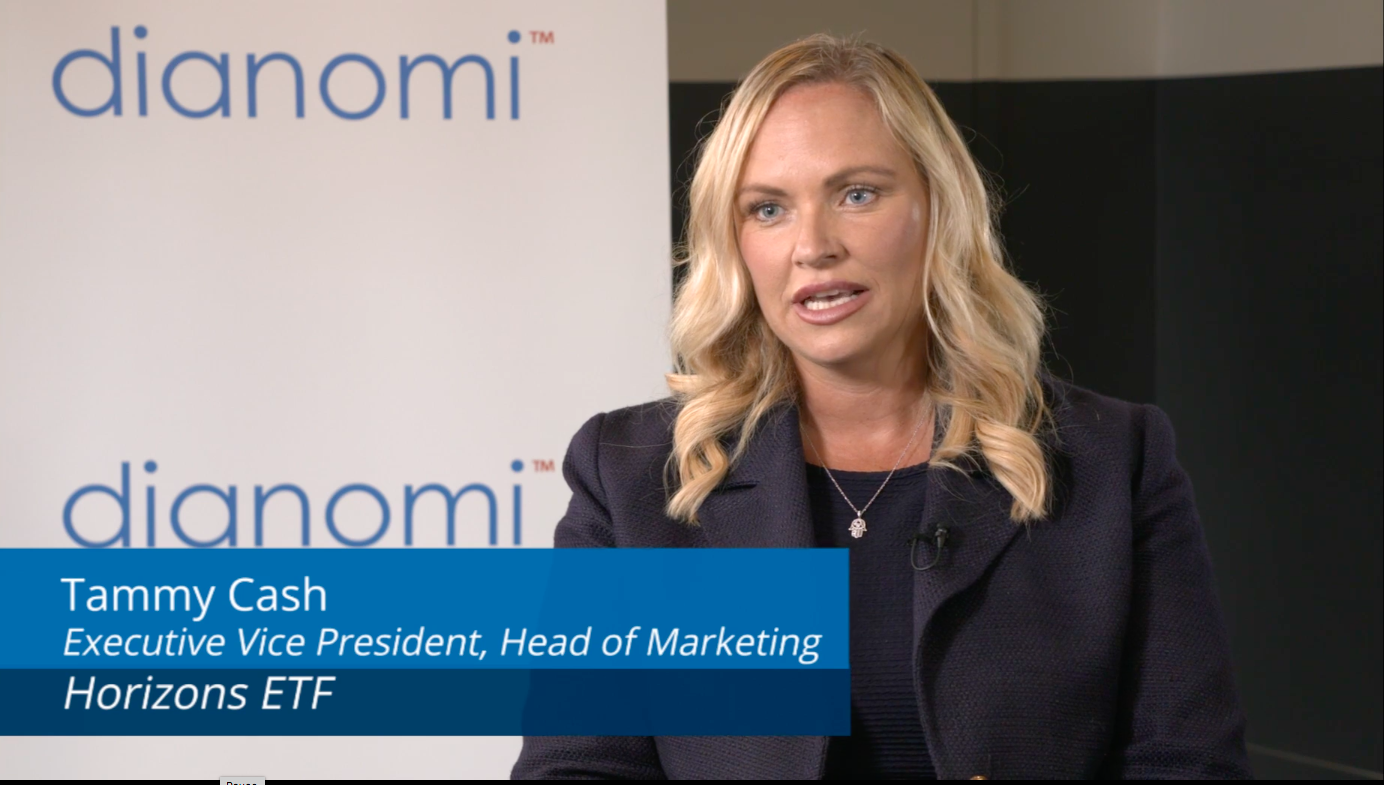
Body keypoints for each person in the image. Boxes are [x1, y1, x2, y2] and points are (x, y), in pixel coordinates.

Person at [513, 34, 1249, 780]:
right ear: (735, 244)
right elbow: (576, 768)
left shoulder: (1112, 459)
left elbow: (1186, 763)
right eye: (767, 209)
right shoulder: (629, 476)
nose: (812, 246)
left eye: (856, 194)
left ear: (938, 208)